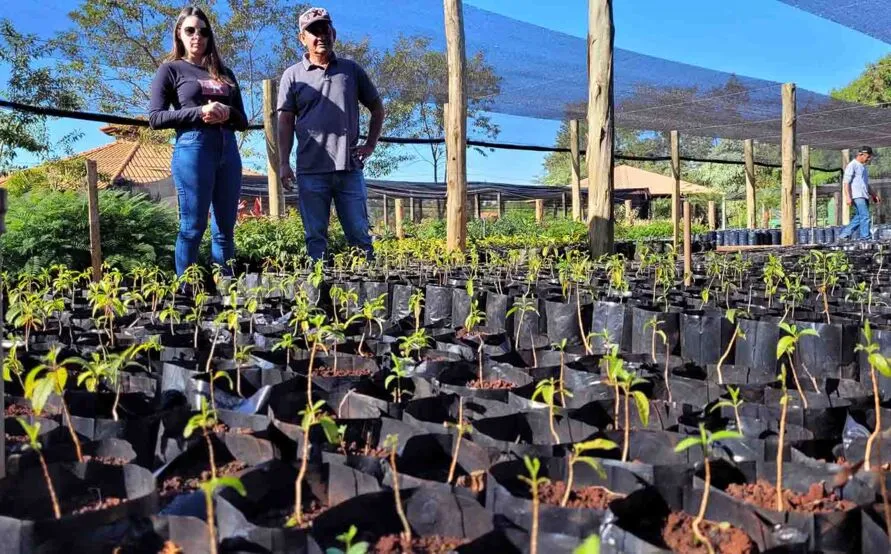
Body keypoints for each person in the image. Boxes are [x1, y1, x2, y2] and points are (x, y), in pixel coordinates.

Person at [277, 7, 386, 261]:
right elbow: (284, 121)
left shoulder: (351, 71)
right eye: (313, 31)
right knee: (315, 238)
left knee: (359, 236)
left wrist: (370, 145)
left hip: (349, 169)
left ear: (333, 32)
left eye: (324, 28)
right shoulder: (292, 76)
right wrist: (283, 163)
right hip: (311, 170)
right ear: (302, 38)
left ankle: (366, 290)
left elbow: (377, 108)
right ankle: (320, 297)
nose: (320, 35)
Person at [148, 6, 248, 277]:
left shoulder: (224, 72)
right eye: (190, 30)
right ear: (179, 34)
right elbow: (155, 118)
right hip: (193, 148)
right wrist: (200, 112)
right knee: (192, 226)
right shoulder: (170, 70)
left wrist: (228, 112)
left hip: (228, 150)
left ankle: (226, 288)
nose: (197, 37)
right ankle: (185, 290)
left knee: (225, 228)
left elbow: (243, 121)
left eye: (203, 31)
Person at [838, 146, 880, 241]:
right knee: (865, 216)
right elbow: (846, 182)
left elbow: (865, 184)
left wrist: (874, 194)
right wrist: (848, 197)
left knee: (859, 217)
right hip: (857, 196)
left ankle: (844, 235)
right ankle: (865, 238)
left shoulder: (863, 167)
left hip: (864, 195)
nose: (868, 159)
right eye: (867, 156)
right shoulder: (852, 165)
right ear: (861, 154)